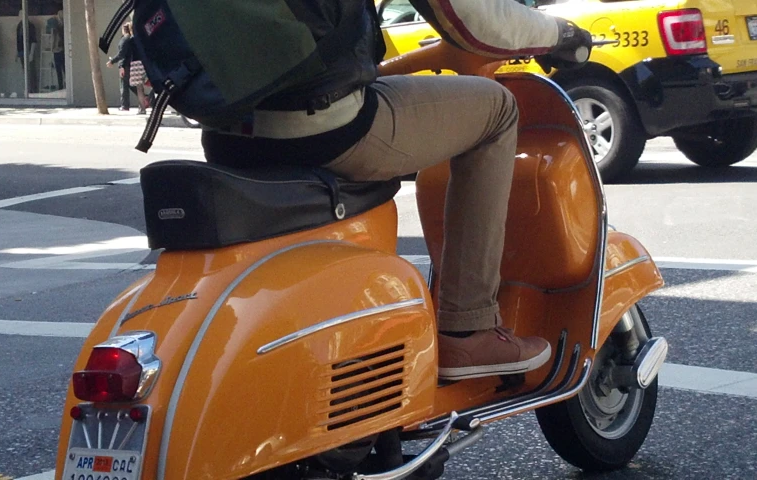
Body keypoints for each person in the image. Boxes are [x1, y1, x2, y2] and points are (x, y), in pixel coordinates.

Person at [201, 0, 592, 380]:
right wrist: (560, 33)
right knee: (498, 110)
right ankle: (468, 329)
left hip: (226, 133)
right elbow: (472, 17)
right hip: (323, 129)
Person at [106, 23, 135, 112]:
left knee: (124, 86)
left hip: (125, 65)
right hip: (131, 64)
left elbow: (121, 54)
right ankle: (145, 99)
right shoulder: (131, 39)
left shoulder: (124, 40)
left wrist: (115, 63)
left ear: (123, 30)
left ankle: (124, 105)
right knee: (132, 85)